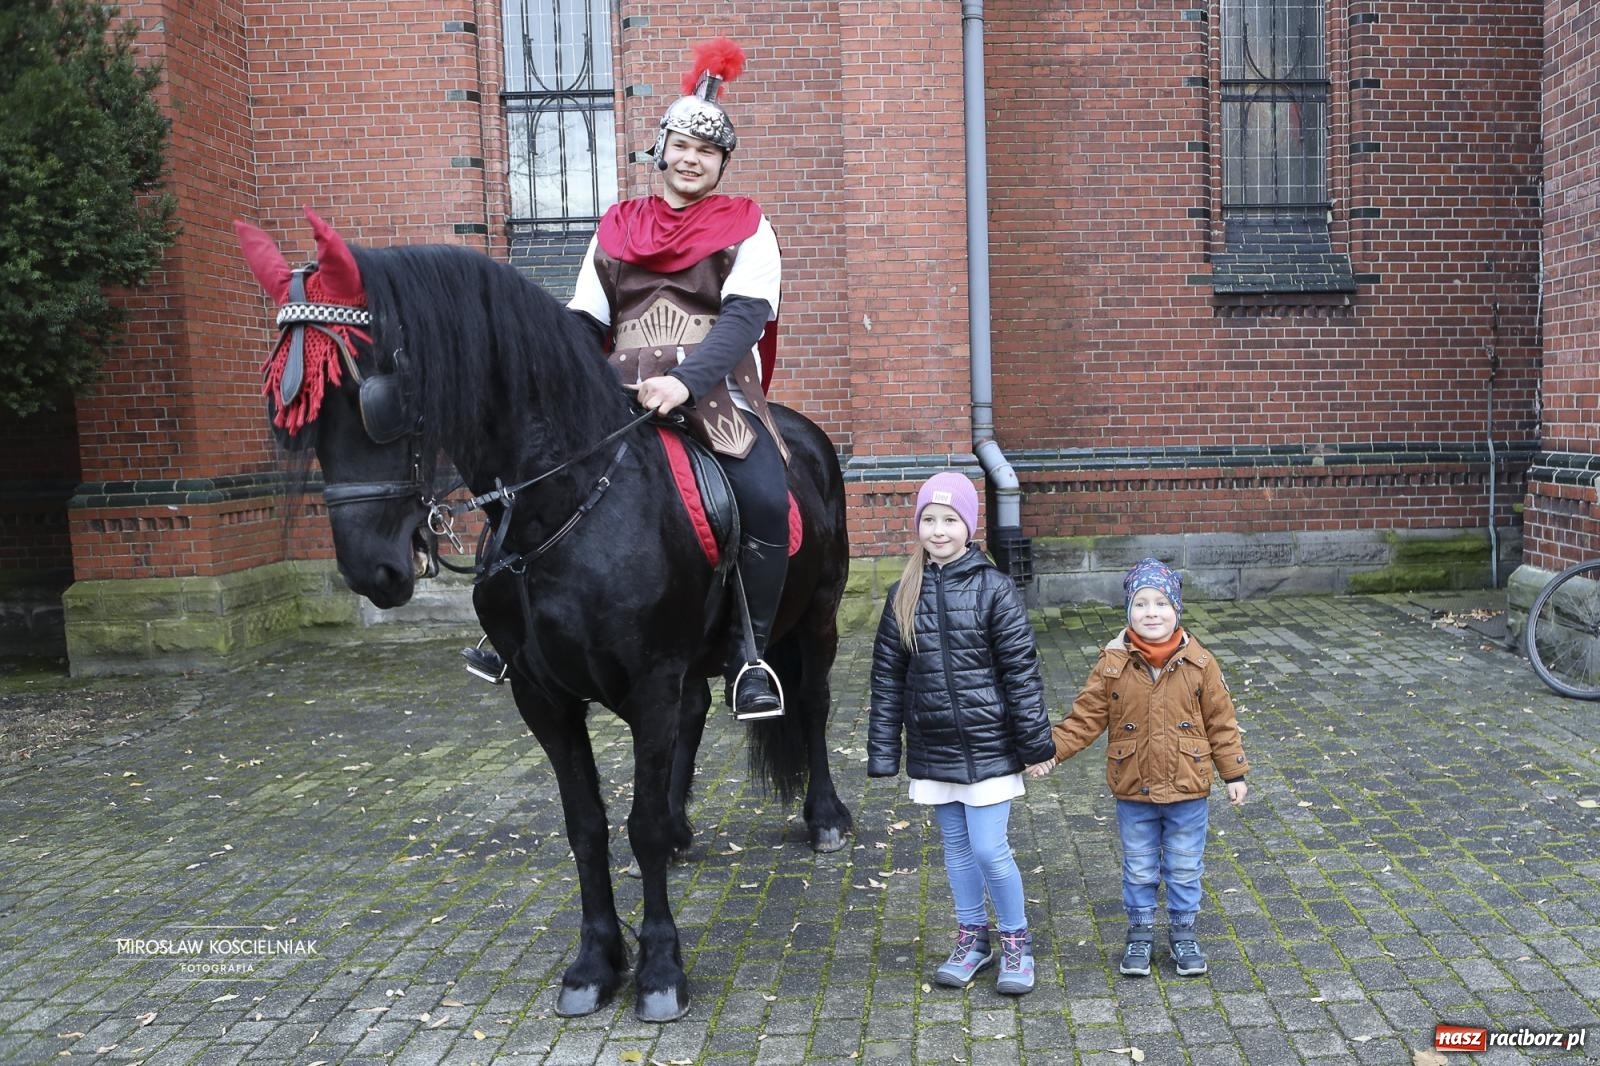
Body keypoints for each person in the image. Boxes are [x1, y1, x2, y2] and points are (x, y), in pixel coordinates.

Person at [464, 39, 791, 722]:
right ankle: (512, 628)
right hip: (615, 392)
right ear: (661, 150)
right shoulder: (616, 226)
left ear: (721, 163)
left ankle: (747, 652)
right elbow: (585, 319)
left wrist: (688, 383)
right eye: (681, 145)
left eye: (708, 152)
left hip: (716, 391)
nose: (692, 160)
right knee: (535, 478)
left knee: (764, 496)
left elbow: (744, 319)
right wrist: (544, 380)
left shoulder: (748, 226)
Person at [867, 472, 1057, 995]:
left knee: (990, 849)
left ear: (969, 526)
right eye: (929, 519)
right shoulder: (902, 592)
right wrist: (885, 751)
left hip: (990, 745)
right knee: (956, 848)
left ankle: (1016, 940)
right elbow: (887, 678)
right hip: (933, 746)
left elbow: (1021, 670)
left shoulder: (994, 588)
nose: (938, 529)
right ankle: (974, 937)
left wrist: (1035, 745)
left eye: (950, 519)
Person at [1027, 557, 1249, 978]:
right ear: (1128, 611)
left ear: (1176, 610)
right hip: (1134, 788)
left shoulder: (1201, 664)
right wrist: (1050, 751)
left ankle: (1183, 932)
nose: (1152, 613)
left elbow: (1222, 721)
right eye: (1141, 604)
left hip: (1188, 787)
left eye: (1161, 603)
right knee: (1139, 865)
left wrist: (1233, 774)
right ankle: (1140, 931)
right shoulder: (1113, 665)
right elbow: (1085, 718)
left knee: (1184, 865)